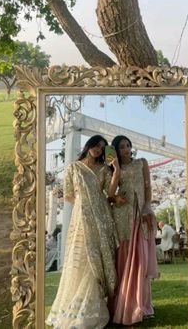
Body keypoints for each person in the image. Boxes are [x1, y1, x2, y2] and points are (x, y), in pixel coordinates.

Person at [46, 134, 119, 329]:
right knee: (82, 255)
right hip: (81, 216)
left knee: (99, 255)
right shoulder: (73, 167)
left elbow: (110, 194)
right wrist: (83, 205)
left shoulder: (104, 169)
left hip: (102, 216)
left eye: (102, 147)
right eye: (96, 145)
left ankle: (96, 303)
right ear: (89, 145)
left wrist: (116, 169)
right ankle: (78, 307)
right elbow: (69, 195)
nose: (98, 149)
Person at [108, 135, 159, 326]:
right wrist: (115, 169)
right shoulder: (115, 168)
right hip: (122, 215)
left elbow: (147, 187)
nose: (126, 149)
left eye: (128, 145)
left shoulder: (141, 163)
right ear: (116, 150)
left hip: (140, 213)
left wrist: (147, 207)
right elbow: (111, 194)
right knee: (125, 257)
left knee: (141, 259)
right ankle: (125, 304)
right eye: (122, 147)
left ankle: (140, 304)